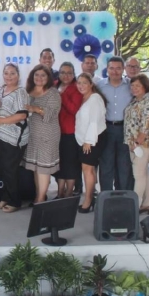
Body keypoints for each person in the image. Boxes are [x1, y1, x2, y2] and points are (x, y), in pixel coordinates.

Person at [0, 63, 29, 213]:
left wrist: (1, 121)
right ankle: (5, 197)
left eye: (12, 73)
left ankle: (15, 201)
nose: (9, 76)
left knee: (10, 170)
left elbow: (22, 115)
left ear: (18, 75)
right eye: (6, 73)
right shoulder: (0, 90)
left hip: (13, 137)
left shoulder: (21, 92)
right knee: (3, 170)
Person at [23, 64, 61, 203]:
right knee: (35, 167)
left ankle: (39, 200)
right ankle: (40, 194)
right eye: (36, 75)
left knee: (43, 169)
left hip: (48, 135)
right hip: (32, 135)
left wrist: (36, 109)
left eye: (43, 75)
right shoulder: (28, 91)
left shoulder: (53, 93)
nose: (39, 78)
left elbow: (52, 113)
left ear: (48, 78)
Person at [124, 74, 149, 214]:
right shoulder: (136, 101)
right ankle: (147, 203)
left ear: (145, 86)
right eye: (132, 86)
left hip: (141, 145)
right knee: (143, 173)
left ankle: (135, 205)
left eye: (137, 85)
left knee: (138, 176)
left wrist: (137, 143)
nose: (134, 88)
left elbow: (146, 127)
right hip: (133, 143)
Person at [97, 56, 133, 191]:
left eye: (118, 68)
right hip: (106, 129)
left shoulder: (130, 85)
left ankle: (123, 196)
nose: (115, 71)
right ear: (107, 69)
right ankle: (106, 196)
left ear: (123, 69)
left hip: (126, 129)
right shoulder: (99, 85)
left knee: (124, 165)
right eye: (112, 68)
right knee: (106, 164)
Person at [75, 73, 108, 213]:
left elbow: (94, 121)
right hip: (85, 139)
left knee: (87, 170)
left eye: (84, 83)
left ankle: (88, 201)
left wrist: (88, 141)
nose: (81, 86)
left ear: (91, 84)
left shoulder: (94, 98)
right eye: (79, 83)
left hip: (93, 139)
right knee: (90, 170)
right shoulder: (84, 98)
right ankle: (90, 197)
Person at [56, 62, 83, 198]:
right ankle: (60, 192)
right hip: (56, 131)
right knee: (60, 163)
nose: (65, 76)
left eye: (69, 73)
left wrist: (62, 95)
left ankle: (69, 193)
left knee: (71, 164)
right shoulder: (55, 85)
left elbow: (74, 109)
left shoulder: (76, 88)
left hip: (70, 132)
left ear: (73, 75)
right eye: (63, 72)